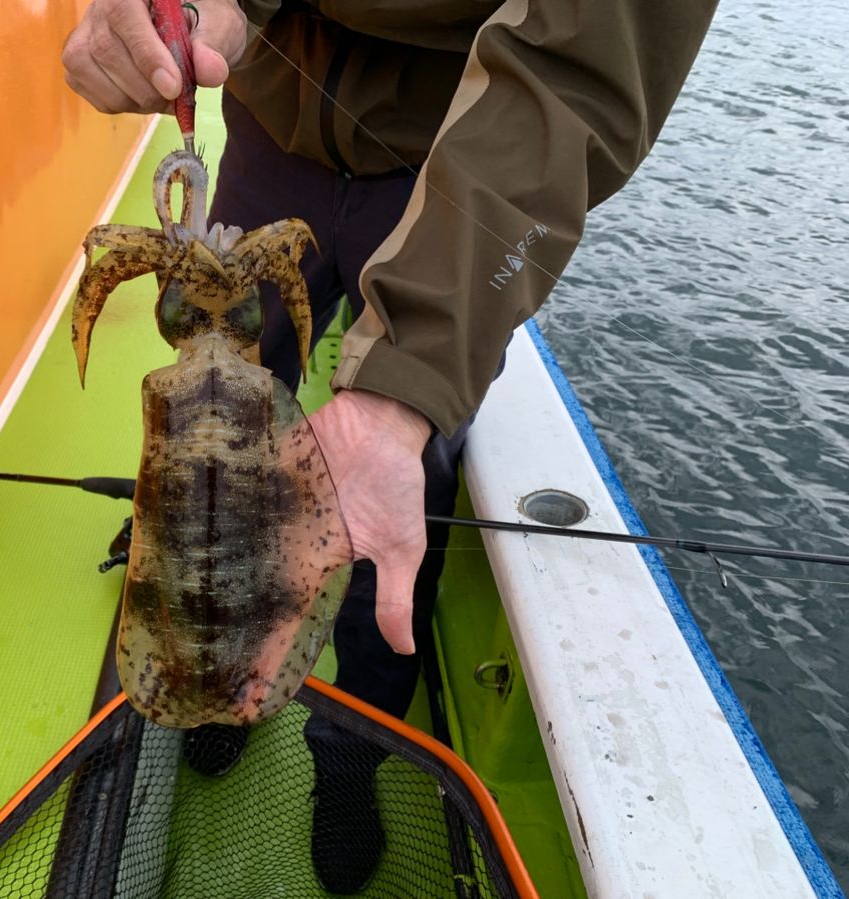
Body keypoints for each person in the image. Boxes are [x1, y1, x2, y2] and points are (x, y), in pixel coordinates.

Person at [64, 0, 716, 891]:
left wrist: (403, 389)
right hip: (268, 137)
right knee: (222, 459)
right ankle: (220, 680)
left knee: (384, 505)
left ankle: (348, 757)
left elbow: (577, 76)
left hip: (445, 174)